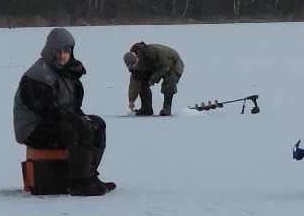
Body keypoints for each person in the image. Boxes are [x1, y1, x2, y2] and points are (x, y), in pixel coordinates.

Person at [13, 27, 115, 196]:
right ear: (49, 51)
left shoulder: (67, 74)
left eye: (66, 51)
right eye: (57, 51)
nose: (62, 55)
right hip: (33, 129)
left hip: (56, 123)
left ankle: (89, 176)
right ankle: (78, 182)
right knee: (80, 127)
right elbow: (48, 111)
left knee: (97, 124)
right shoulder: (37, 75)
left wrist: (82, 117)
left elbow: (71, 108)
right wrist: (78, 120)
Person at [124, 40, 185, 116]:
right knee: (142, 83)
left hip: (171, 61)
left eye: (135, 64)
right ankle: (146, 109)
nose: (135, 67)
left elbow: (165, 67)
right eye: (132, 66)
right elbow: (134, 82)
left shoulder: (151, 52)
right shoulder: (136, 66)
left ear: (136, 57)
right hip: (154, 66)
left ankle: (166, 108)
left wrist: (153, 79)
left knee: (169, 81)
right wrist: (131, 100)